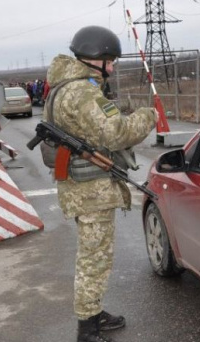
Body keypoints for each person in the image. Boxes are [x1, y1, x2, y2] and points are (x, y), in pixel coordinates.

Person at [44, 25, 157, 342]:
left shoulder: (67, 86)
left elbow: (92, 125)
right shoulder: (82, 92)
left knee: (95, 257)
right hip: (91, 191)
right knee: (95, 259)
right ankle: (87, 330)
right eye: (110, 61)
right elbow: (115, 134)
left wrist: (117, 109)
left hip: (83, 188)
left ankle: (93, 313)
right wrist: (146, 116)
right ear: (95, 58)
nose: (112, 67)